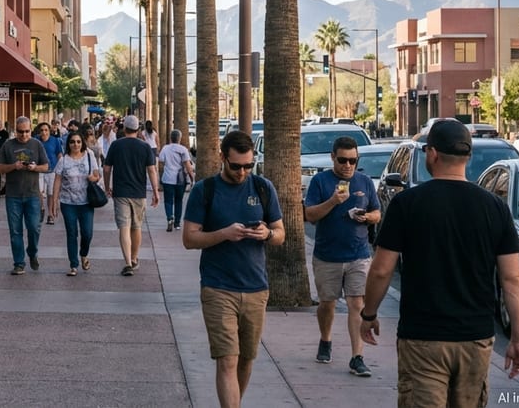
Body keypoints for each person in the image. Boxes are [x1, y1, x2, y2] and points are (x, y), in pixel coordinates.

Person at [360, 119, 519, 407]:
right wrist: (518, 339)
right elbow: (512, 279)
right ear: (468, 157)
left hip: (423, 338)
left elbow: (382, 269)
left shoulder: (407, 203)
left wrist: (368, 314)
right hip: (475, 338)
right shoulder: (495, 208)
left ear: (432, 154)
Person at [182, 130, 285, 408]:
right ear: (222, 158)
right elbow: (189, 239)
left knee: (246, 359)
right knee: (227, 359)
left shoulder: (263, 188)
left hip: (256, 289)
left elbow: (280, 233)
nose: (242, 172)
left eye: (248, 166)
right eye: (236, 166)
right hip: (218, 287)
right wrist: (224, 234)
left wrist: (266, 234)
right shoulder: (206, 190)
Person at [303, 135, 381, 376]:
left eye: (353, 161)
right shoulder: (320, 181)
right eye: (343, 160)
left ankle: (357, 357)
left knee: (357, 303)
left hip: (358, 254)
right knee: (328, 304)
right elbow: (310, 215)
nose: (348, 166)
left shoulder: (365, 182)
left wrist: (367, 218)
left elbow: (377, 212)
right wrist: (333, 201)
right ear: (333, 158)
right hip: (328, 256)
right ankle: (325, 339)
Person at [103, 114, 159, 276]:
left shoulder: (116, 145)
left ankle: (127, 262)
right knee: (137, 227)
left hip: (120, 192)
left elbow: (107, 169)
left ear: (124, 128)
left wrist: (108, 187)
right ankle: (134, 258)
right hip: (139, 193)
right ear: (138, 129)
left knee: (124, 227)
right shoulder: (145, 147)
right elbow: (151, 170)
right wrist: (155, 192)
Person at [0, 116, 48, 275]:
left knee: (34, 228)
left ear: (31, 130)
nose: (24, 135)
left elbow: (46, 166)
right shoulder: (8, 145)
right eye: (20, 132)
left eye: (27, 131)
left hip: (32, 194)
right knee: (15, 231)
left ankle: (32, 252)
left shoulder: (37, 144)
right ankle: (19, 263)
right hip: (13, 195)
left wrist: (35, 167)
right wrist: (14, 166)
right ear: (15, 131)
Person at [50, 131, 101, 276]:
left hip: (86, 202)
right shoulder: (64, 160)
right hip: (68, 202)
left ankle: (84, 253)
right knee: (71, 233)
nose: (76, 144)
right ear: (68, 144)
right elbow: (58, 180)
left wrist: (94, 178)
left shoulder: (89, 155)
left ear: (82, 143)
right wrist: (54, 201)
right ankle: (73, 264)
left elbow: (97, 175)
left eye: (78, 141)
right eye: (72, 142)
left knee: (87, 233)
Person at [158, 129, 195, 232]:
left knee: (168, 201)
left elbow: (161, 160)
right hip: (180, 180)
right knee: (179, 201)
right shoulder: (183, 149)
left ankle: (170, 218)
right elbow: (188, 165)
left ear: (171, 138)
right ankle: (177, 223)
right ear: (179, 138)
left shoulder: (165, 148)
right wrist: (192, 178)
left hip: (168, 178)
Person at [36, 122, 62, 224]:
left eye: (46, 130)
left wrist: (61, 167)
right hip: (39, 170)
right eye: (42, 130)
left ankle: (50, 214)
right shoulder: (36, 140)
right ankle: (41, 208)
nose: (44, 132)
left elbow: (59, 154)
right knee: (39, 192)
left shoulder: (55, 140)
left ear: (49, 131)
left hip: (52, 170)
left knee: (51, 193)